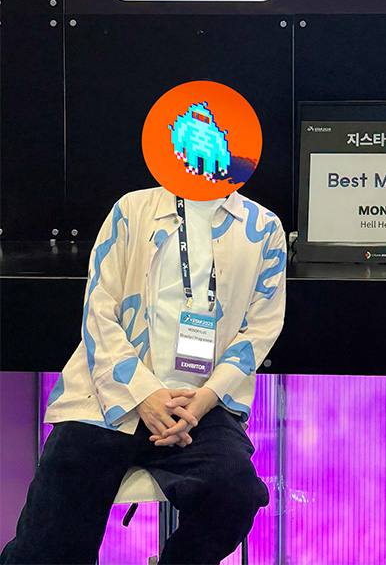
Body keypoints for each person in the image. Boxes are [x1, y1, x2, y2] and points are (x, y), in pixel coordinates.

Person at [1, 186, 287, 565]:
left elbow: (260, 329)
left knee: (236, 493)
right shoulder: (132, 209)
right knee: (47, 542)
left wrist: (204, 400)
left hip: (199, 405)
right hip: (107, 397)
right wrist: (143, 394)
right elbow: (99, 312)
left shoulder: (264, 227)